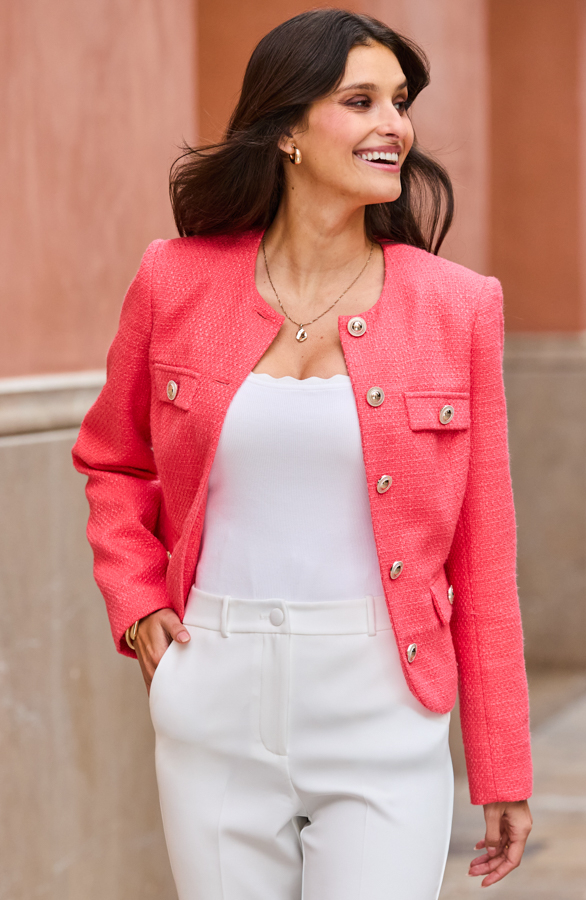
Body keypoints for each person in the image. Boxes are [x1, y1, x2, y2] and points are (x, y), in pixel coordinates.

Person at [72, 9, 533, 899]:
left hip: (383, 701)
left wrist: (501, 763)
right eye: (360, 101)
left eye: (399, 103)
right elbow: (114, 460)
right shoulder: (173, 279)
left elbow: (484, 553)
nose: (393, 125)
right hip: (212, 693)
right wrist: (136, 602)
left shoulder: (458, 306)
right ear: (286, 128)